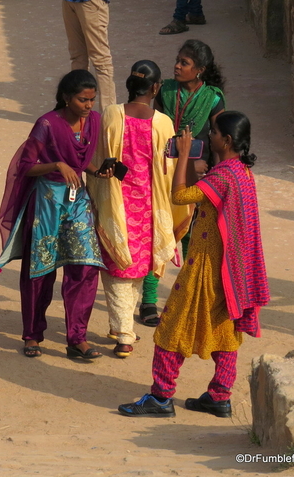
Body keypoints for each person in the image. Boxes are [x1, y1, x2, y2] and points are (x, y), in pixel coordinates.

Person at [117, 111, 270, 418]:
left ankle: (161, 397)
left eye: (213, 132)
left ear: (226, 140)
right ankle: (219, 396)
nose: (208, 136)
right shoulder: (241, 172)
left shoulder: (222, 177)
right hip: (228, 272)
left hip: (204, 267)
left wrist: (183, 155)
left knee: (171, 327)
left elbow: (179, 195)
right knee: (224, 331)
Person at [0, 70, 110, 359]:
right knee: (40, 268)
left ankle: (77, 338)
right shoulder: (46, 124)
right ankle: (32, 335)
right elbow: (25, 166)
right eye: (83, 100)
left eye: (92, 100)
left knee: (85, 266)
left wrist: (98, 171)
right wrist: (55, 165)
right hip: (47, 200)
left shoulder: (93, 122)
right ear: (66, 98)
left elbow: (81, 165)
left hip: (76, 201)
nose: (88, 106)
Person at [87, 60, 192, 359]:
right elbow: (168, 169)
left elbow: (98, 155)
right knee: (137, 268)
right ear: (156, 88)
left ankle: (122, 330)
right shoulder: (162, 123)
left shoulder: (111, 114)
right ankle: (124, 332)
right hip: (149, 207)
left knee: (118, 264)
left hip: (115, 203)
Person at [139, 39, 225, 327]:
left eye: (184, 63)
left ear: (200, 70)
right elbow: (158, 129)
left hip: (197, 175)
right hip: (165, 170)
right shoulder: (165, 91)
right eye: (177, 60)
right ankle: (149, 301)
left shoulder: (213, 98)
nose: (176, 66)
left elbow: (219, 139)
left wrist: (213, 172)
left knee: (191, 237)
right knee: (160, 232)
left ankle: (191, 300)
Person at [61, 0, 116, 111]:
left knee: (101, 61)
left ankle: (108, 116)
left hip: (90, 3)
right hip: (69, 2)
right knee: (77, 57)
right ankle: (78, 109)